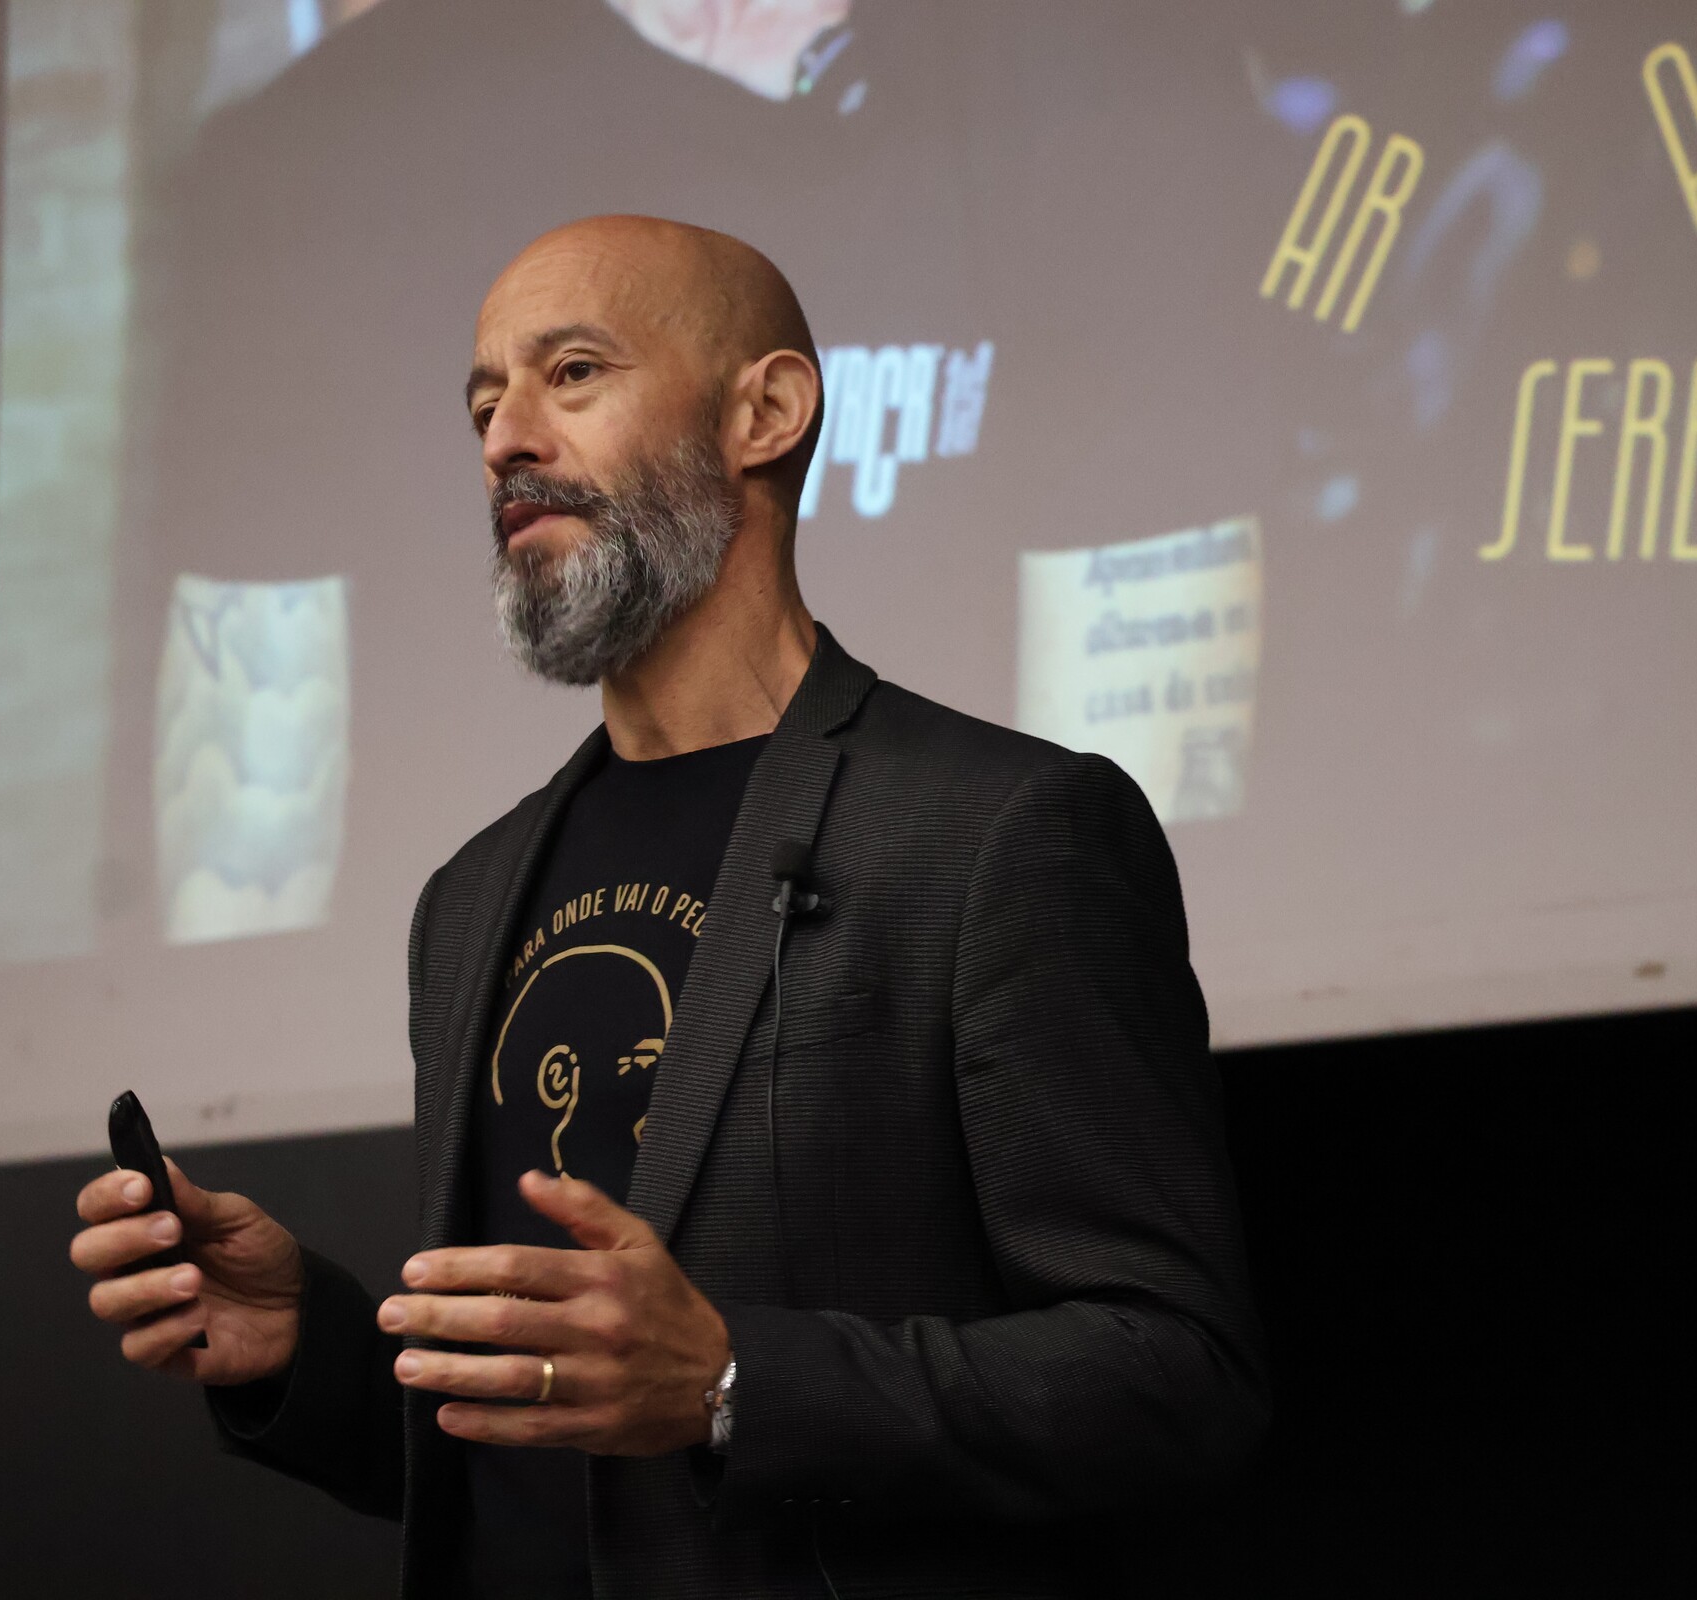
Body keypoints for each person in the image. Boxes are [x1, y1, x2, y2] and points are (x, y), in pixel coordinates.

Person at [70, 215, 1267, 1598]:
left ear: (767, 412)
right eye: (482, 402)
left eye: (572, 373)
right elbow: (536, 1455)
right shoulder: (468, 899)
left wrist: (735, 1385)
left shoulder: (1002, 831)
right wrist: (305, 1346)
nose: (505, 438)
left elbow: (1177, 1372)